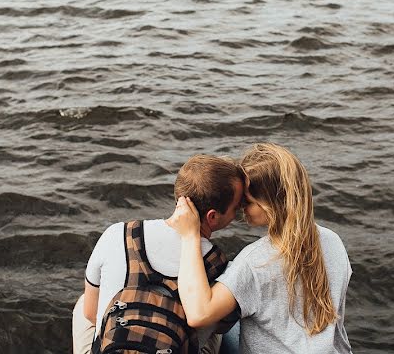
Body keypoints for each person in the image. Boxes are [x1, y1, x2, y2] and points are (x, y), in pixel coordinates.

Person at [169, 143, 353, 354]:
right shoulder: (333, 241)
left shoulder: (256, 261)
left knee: (226, 329)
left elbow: (199, 314)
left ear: (271, 205)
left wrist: (190, 236)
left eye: (248, 201)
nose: (240, 207)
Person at [72, 155, 244, 354]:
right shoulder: (219, 265)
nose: (237, 214)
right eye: (236, 209)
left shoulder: (117, 233)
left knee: (84, 302)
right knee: (218, 322)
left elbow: (91, 314)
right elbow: (221, 326)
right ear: (212, 216)